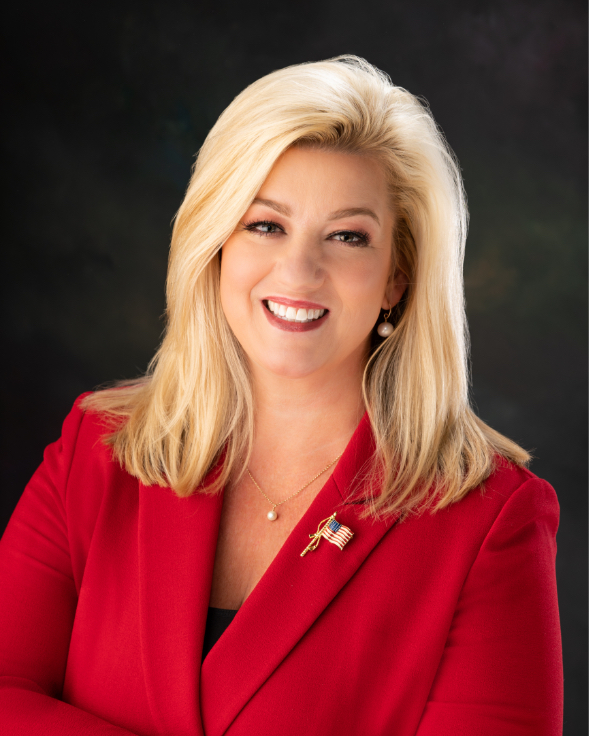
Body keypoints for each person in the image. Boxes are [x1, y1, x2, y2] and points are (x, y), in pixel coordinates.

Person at [0, 56, 563, 735]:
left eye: (347, 237)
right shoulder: (95, 452)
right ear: (215, 244)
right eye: (265, 225)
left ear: (398, 278)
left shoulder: (490, 521)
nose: (298, 271)